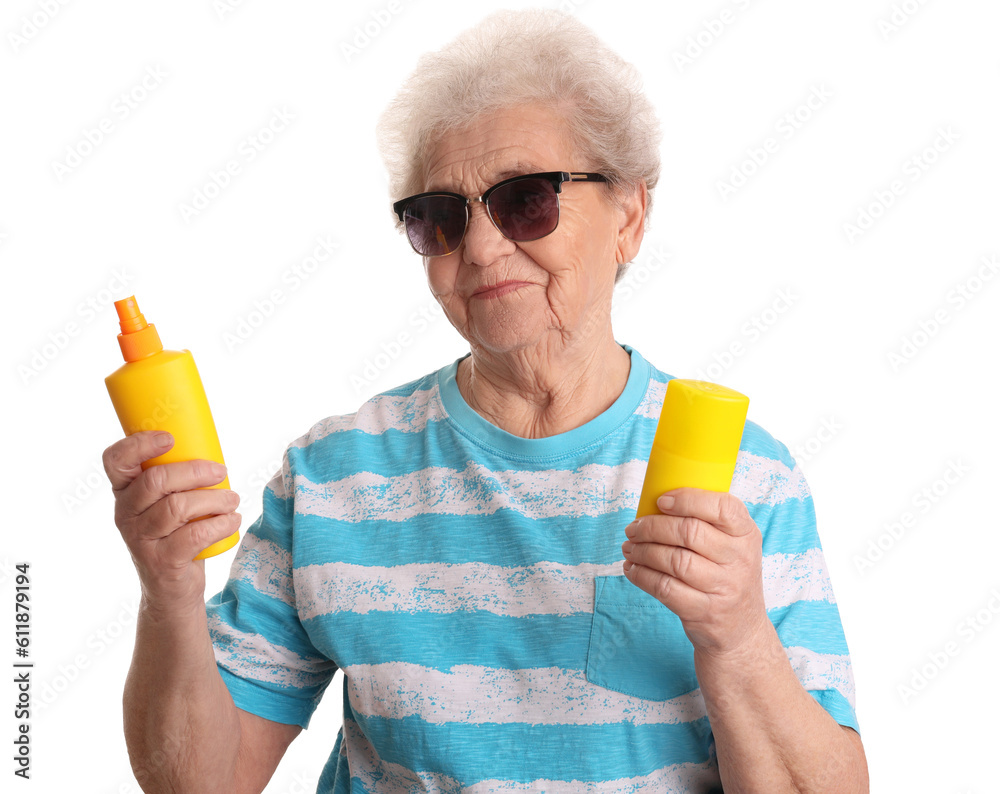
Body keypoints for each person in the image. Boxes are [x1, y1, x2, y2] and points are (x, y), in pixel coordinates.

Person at [104, 10, 868, 793]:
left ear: (630, 216)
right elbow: (196, 783)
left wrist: (737, 639)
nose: (481, 247)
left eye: (526, 199)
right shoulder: (333, 476)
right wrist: (168, 592)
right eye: (439, 217)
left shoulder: (746, 477)